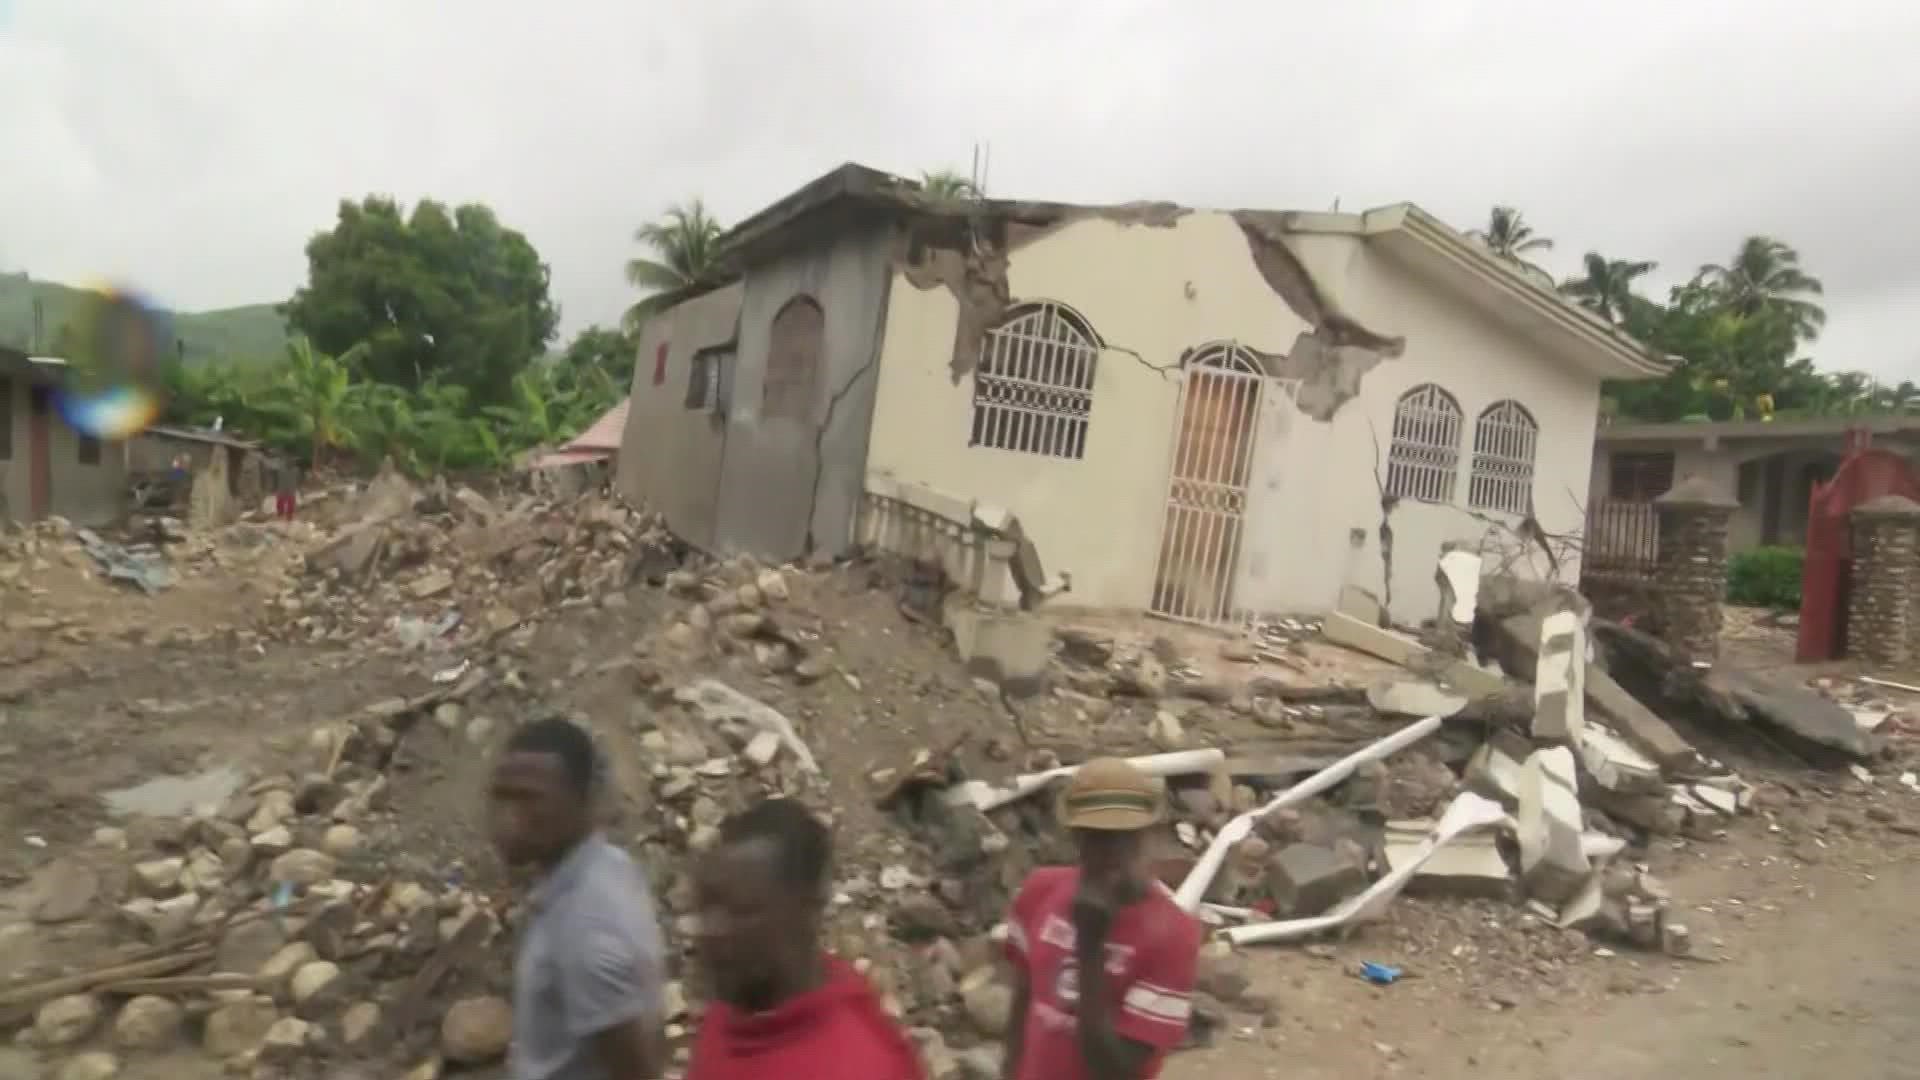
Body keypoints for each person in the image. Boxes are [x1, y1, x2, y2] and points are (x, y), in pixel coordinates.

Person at [687, 798, 924, 1080]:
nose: (713, 930)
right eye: (707, 905)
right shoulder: (739, 1004)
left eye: (743, 911)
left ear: (808, 911)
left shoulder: (858, 1067)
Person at [1001, 758, 1202, 1080]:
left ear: (1148, 835)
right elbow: (1023, 1003)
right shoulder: (1040, 891)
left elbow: (1116, 1069)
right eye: (1098, 836)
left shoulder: (1174, 935)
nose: (1113, 851)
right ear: (1076, 838)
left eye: (1125, 836)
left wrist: (1090, 948)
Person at [489, 718, 666, 1080]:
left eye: (529, 799)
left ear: (583, 800)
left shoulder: (584, 929)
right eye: (502, 797)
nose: (508, 817)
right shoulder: (609, 867)